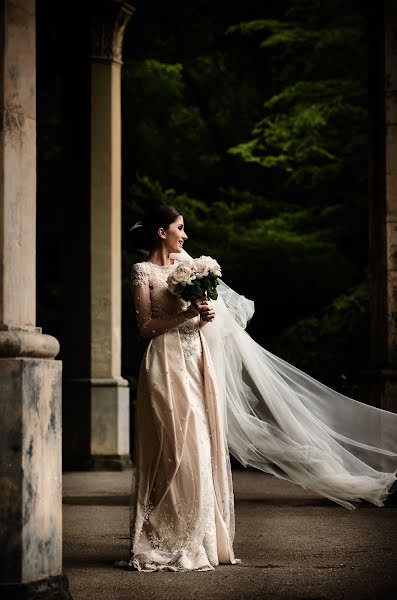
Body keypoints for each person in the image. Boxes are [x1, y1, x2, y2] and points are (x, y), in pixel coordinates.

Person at [122, 204, 397, 573]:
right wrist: (187, 315)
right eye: (180, 228)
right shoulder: (143, 272)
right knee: (174, 447)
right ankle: (163, 535)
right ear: (162, 232)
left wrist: (204, 317)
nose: (185, 236)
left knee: (202, 445)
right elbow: (146, 328)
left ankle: (197, 538)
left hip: (197, 360)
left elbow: (204, 321)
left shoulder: (188, 267)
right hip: (164, 363)